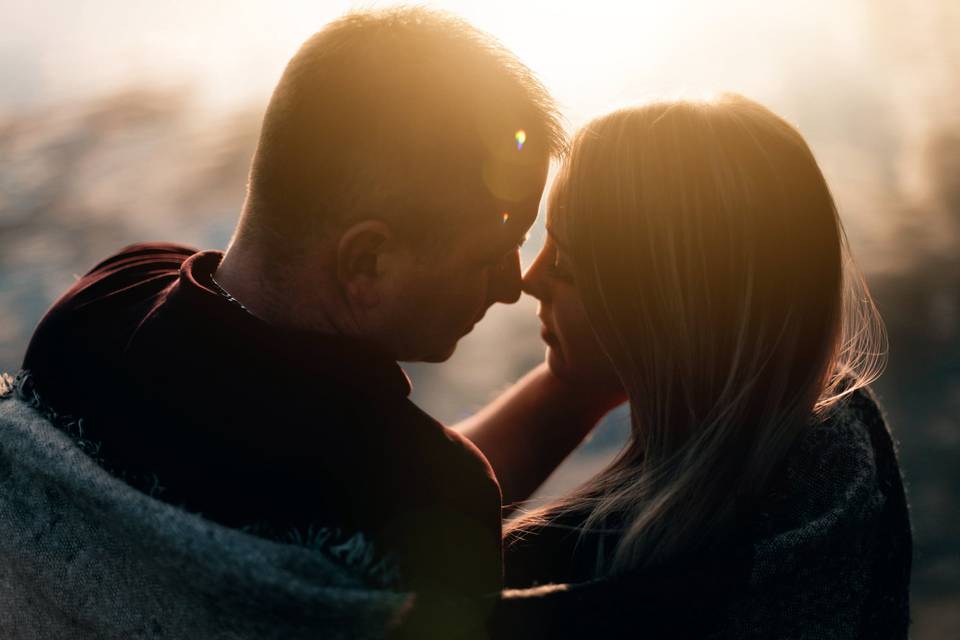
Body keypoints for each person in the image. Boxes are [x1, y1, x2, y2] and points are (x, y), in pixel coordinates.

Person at [16, 7, 570, 597]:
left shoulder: (102, 304)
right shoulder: (434, 500)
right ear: (368, 262)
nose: (512, 284)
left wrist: (568, 393)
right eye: (494, 251)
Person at [468, 95, 911, 638]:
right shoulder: (842, 446)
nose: (527, 280)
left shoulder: (566, 567)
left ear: (657, 305)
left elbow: (370, 538)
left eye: (563, 260)